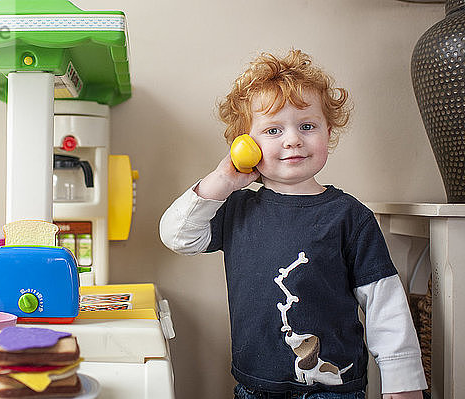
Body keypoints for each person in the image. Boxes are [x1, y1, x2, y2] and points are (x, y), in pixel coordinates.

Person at [159, 49, 427, 399]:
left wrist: (402, 381)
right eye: (272, 130)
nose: (292, 140)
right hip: (255, 386)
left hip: (333, 389)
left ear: (327, 132)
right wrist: (222, 180)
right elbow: (177, 236)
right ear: (245, 144)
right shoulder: (235, 208)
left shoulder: (350, 216)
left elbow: (384, 303)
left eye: (307, 126)